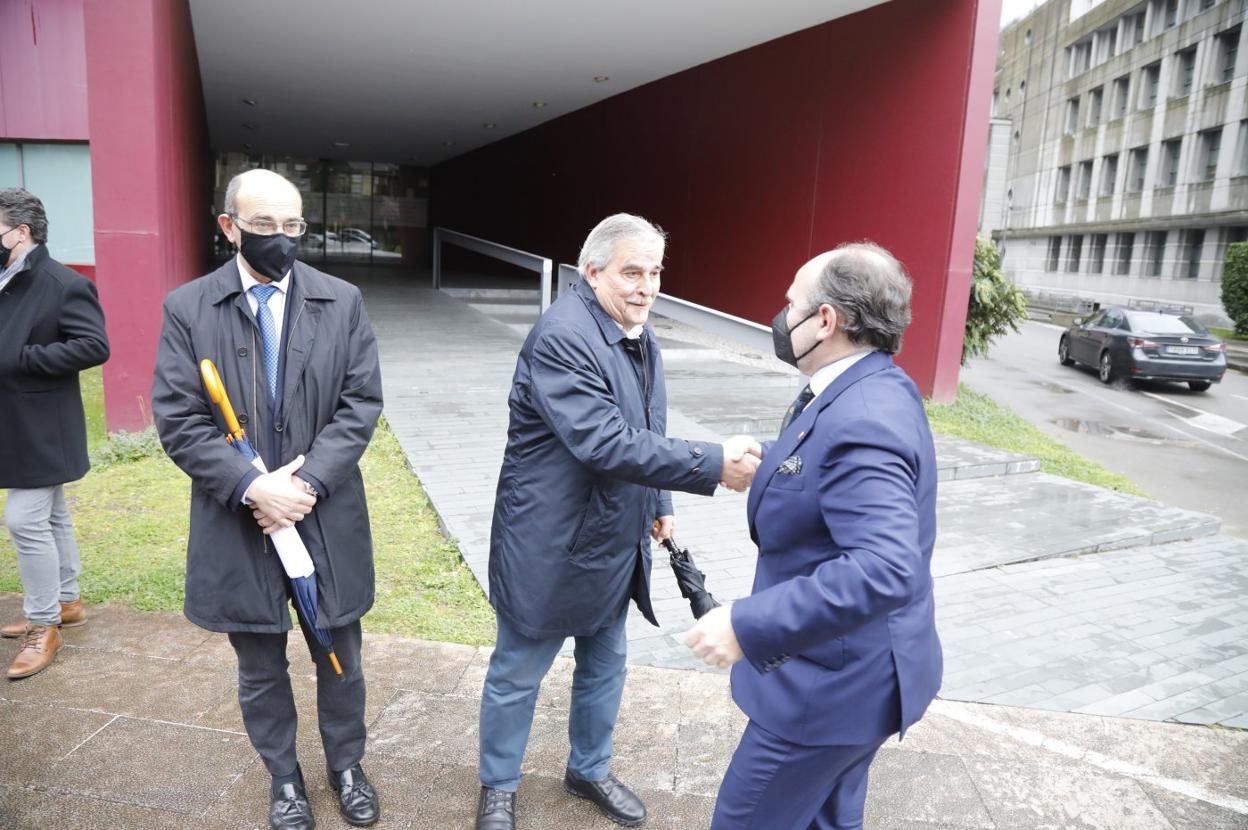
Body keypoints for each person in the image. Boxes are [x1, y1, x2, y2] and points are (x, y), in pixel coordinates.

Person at [474, 214, 761, 830]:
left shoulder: (637, 332)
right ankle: (498, 786)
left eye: (655, 272)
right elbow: (602, 441)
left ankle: (589, 769)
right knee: (517, 671)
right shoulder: (562, 336)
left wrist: (661, 506)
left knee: (606, 664)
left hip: (614, 535)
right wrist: (712, 463)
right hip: (548, 542)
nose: (647, 286)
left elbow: (647, 429)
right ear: (592, 271)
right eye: (633, 272)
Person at [152, 169, 383, 830]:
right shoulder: (189, 309)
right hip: (239, 520)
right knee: (259, 662)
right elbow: (180, 418)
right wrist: (253, 486)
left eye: (292, 226)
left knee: (340, 657)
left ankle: (346, 766)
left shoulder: (342, 301)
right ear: (229, 228)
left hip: (324, 515)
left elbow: (359, 405)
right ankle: (284, 778)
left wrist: (304, 486)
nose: (281, 240)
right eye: (263, 227)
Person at [684, 242, 942, 830]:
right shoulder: (871, 385)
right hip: (856, 679)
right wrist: (772, 461)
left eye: (790, 304)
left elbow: (885, 566)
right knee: (827, 819)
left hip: (831, 689)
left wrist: (746, 624)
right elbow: (837, 477)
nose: (781, 317)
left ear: (826, 320)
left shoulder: (865, 417)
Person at [0, 188, 109, 680]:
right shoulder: (6, 278)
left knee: (25, 519)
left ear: (21, 232)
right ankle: (66, 601)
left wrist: (22, 359)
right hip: (16, 420)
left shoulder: (63, 283)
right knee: (53, 514)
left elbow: (93, 345)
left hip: (45, 425)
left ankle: (43, 625)